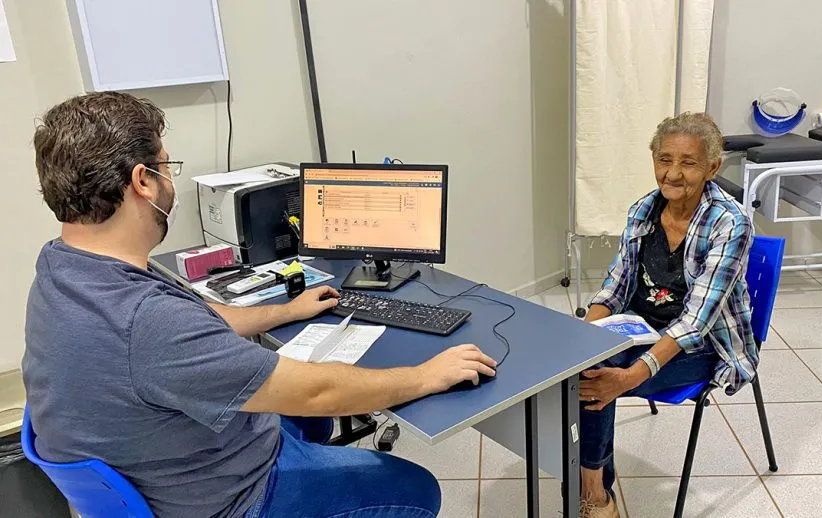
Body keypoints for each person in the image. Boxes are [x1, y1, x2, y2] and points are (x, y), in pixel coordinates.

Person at [21, 92, 497, 518]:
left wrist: (287, 311)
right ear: (143, 181)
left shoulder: (63, 267)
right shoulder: (146, 320)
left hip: (166, 466)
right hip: (229, 497)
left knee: (307, 417)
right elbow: (316, 392)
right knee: (415, 488)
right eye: (168, 167)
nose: (171, 182)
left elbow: (201, 320)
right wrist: (424, 375)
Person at [576, 112, 758, 518]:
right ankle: (594, 482)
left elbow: (696, 321)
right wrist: (583, 337)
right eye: (664, 159)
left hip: (706, 346)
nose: (672, 173)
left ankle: (594, 496)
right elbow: (617, 285)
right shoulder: (643, 209)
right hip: (641, 327)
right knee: (584, 366)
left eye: (688, 163)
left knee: (598, 379)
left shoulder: (730, 223)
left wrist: (630, 376)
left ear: (712, 167)